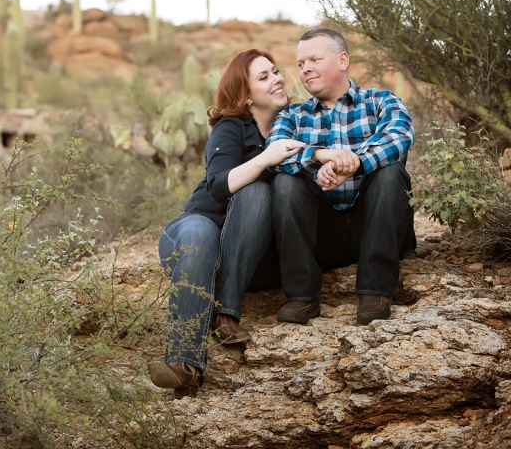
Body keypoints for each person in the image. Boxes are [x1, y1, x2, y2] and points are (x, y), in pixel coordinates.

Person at [148, 49, 303, 399]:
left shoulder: (296, 122)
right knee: (204, 230)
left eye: (276, 72)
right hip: (197, 229)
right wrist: (266, 157)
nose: (277, 79)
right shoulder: (231, 127)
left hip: (251, 256)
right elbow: (218, 184)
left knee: (259, 193)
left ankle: (226, 312)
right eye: (264, 77)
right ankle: (184, 366)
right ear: (246, 95)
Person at [267, 28, 417, 326]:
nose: (305, 68)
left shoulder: (381, 101)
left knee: (391, 172)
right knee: (284, 182)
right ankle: (302, 297)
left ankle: (375, 291)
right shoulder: (292, 116)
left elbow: (400, 136)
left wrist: (356, 163)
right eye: (300, 64)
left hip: (374, 225)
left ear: (342, 60)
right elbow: (276, 153)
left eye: (314, 59)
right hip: (323, 234)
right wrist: (317, 157)